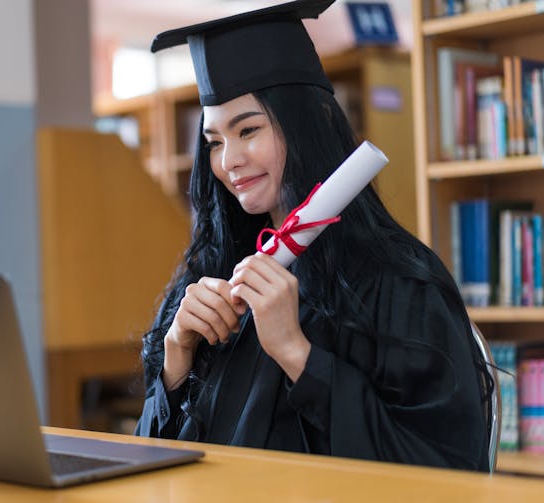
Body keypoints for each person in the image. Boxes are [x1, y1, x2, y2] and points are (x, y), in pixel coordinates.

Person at [134, 0, 492, 472]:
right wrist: (176, 358)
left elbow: (443, 470)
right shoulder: (214, 271)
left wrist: (297, 354)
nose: (229, 161)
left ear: (307, 123)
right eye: (215, 141)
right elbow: (152, 466)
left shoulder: (398, 281)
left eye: (249, 130)